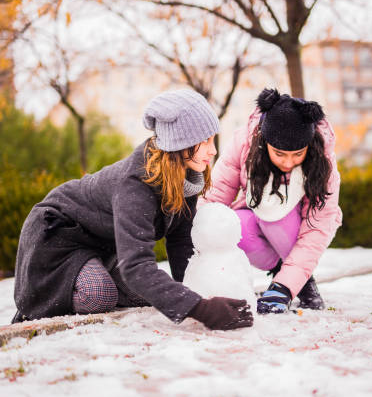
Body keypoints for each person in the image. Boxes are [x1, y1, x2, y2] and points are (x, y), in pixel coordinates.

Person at [12, 88, 253, 331]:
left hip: (102, 246)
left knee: (154, 293)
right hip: (58, 238)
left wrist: (200, 296)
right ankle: (73, 286)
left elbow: (180, 243)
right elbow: (136, 265)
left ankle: (95, 274)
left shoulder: (186, 177)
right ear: (180, 143)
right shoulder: (136, 184)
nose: (213, 150)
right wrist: (203, 310)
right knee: (99, 294)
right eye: (206, 142)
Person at [202, 88, 342, 314]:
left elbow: (316, 228)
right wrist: (200, 244)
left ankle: (298, 281)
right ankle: (281, 271)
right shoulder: (244, 143)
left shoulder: (322, 162)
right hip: (258, 219)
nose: (288, 163)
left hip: (294, 228)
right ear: (264, 142)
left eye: (298, 154)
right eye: (280, 153)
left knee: (274, 217)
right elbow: (216, 197)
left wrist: (285, 288)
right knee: (233, 225)